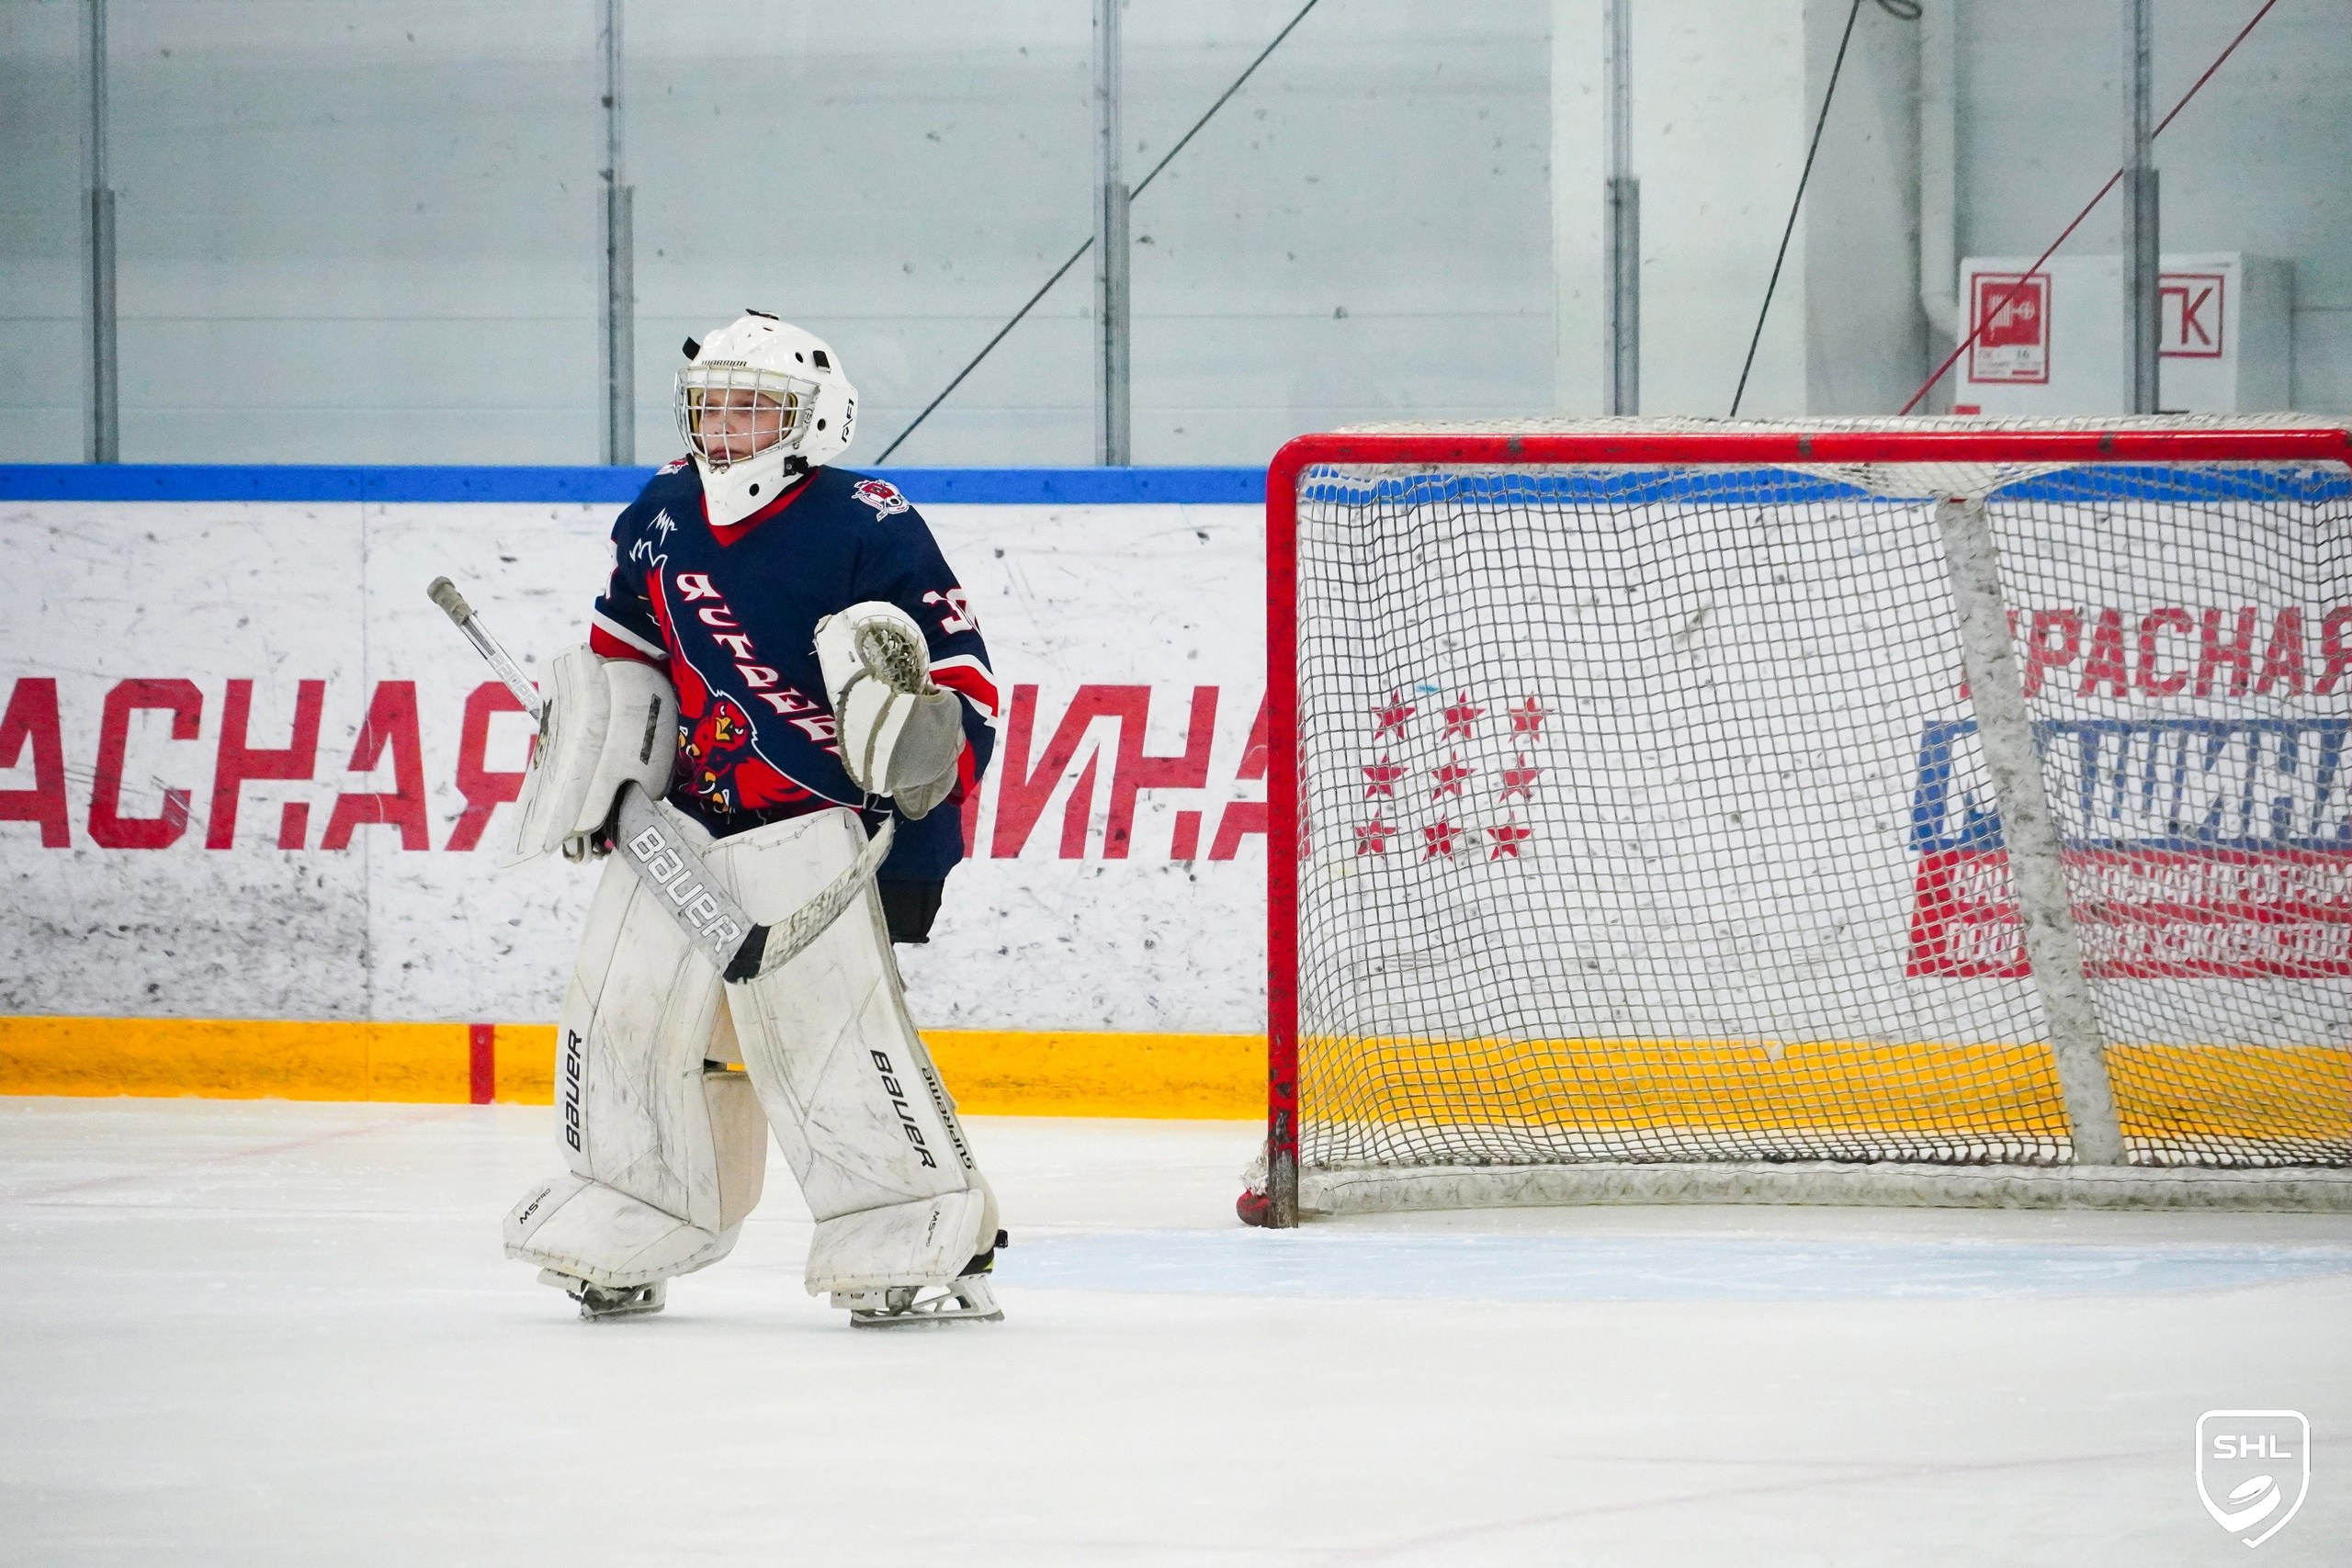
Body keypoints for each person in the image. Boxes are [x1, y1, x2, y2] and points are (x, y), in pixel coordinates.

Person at [499, 310, 1006, 1325]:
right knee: (630, 1023)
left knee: (826, 1038)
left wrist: (917, 757)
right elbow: (625, 658)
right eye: (711, 404)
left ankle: (915, 1226)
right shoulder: (660, 512)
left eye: (752, 406)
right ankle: (634, 1205)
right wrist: (594, 750)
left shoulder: (871, 520)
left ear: (814, 419)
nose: (726, 426)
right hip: (681, 828)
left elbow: (962, 682)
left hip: (824, 826)